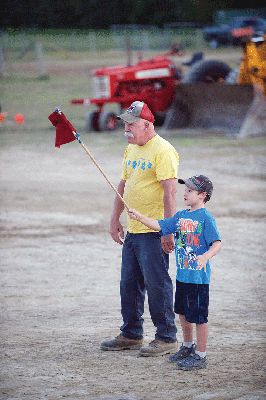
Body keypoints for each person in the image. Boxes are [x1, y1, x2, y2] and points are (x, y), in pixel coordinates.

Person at [100, 101, 179, 356]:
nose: (127, 129)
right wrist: (115, 219)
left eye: (131, 124)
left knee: (157, 285)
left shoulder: (163, 151)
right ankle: (131, 334)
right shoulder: (130, 149)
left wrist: (167, 230)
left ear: (147, 124)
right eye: (125, 123)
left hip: (154, 231)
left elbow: (170, 194)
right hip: (133, 232)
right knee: (129, 284)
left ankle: (167, 337)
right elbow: (122, 186)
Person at [127, 175, 222, 370]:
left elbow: (217, 243)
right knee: (183, 312)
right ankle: (187, 347)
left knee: (199, 317)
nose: (184, 193)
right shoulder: (180, 216)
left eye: (190, 190)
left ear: (202, 195)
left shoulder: (206, 218)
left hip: (198, 279)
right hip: (182, 276)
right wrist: (139, 217)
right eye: (185, 189)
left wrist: (205, 257)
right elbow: (160, 226)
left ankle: (201, 355)